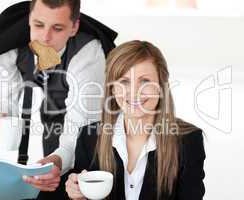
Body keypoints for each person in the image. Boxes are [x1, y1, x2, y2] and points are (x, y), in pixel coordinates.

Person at [0, 0, 117, 198]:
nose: (45, 37)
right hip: (52, 128)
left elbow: (78, 127)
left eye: (57, 28)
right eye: (38, 25)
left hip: (97, 137)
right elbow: (7, 98)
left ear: (74, 27)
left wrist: (57, 161)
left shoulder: (88, 54)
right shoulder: (12, 47)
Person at [65, 40, 206, 200]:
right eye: (124, 82)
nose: (134, 92)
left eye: (145, 81)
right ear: (112, 88)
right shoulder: (89, 137)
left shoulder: (188, 140)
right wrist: (76, 194)